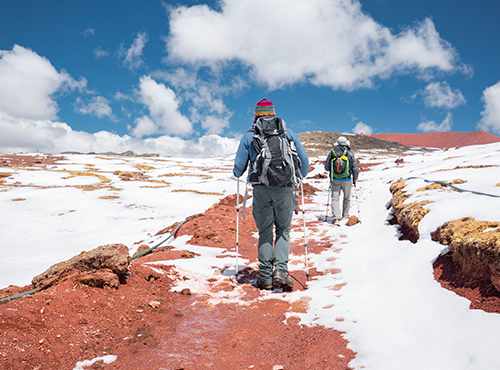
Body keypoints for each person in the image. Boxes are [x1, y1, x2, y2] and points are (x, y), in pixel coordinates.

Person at [233, 98, 309, 291]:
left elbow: (238, 169)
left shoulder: (249, 137)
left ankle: (265, 278)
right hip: (285, 188)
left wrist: (239, 172)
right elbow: (304, 161)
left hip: (261, 190)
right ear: (274, 113)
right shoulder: (288, 133)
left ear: (256, 115)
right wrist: (297, 176)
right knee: (283, 230)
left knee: (265, 231)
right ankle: (281, 271)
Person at [324, 136, 359, 225]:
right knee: (346, 198)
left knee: (335, 199)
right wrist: (355, 178)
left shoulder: (332, 152)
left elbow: (326, 167)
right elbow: (355, 167)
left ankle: (336, 218)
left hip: (335, 179)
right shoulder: (350, 153)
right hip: (347, 179)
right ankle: (345, 216)